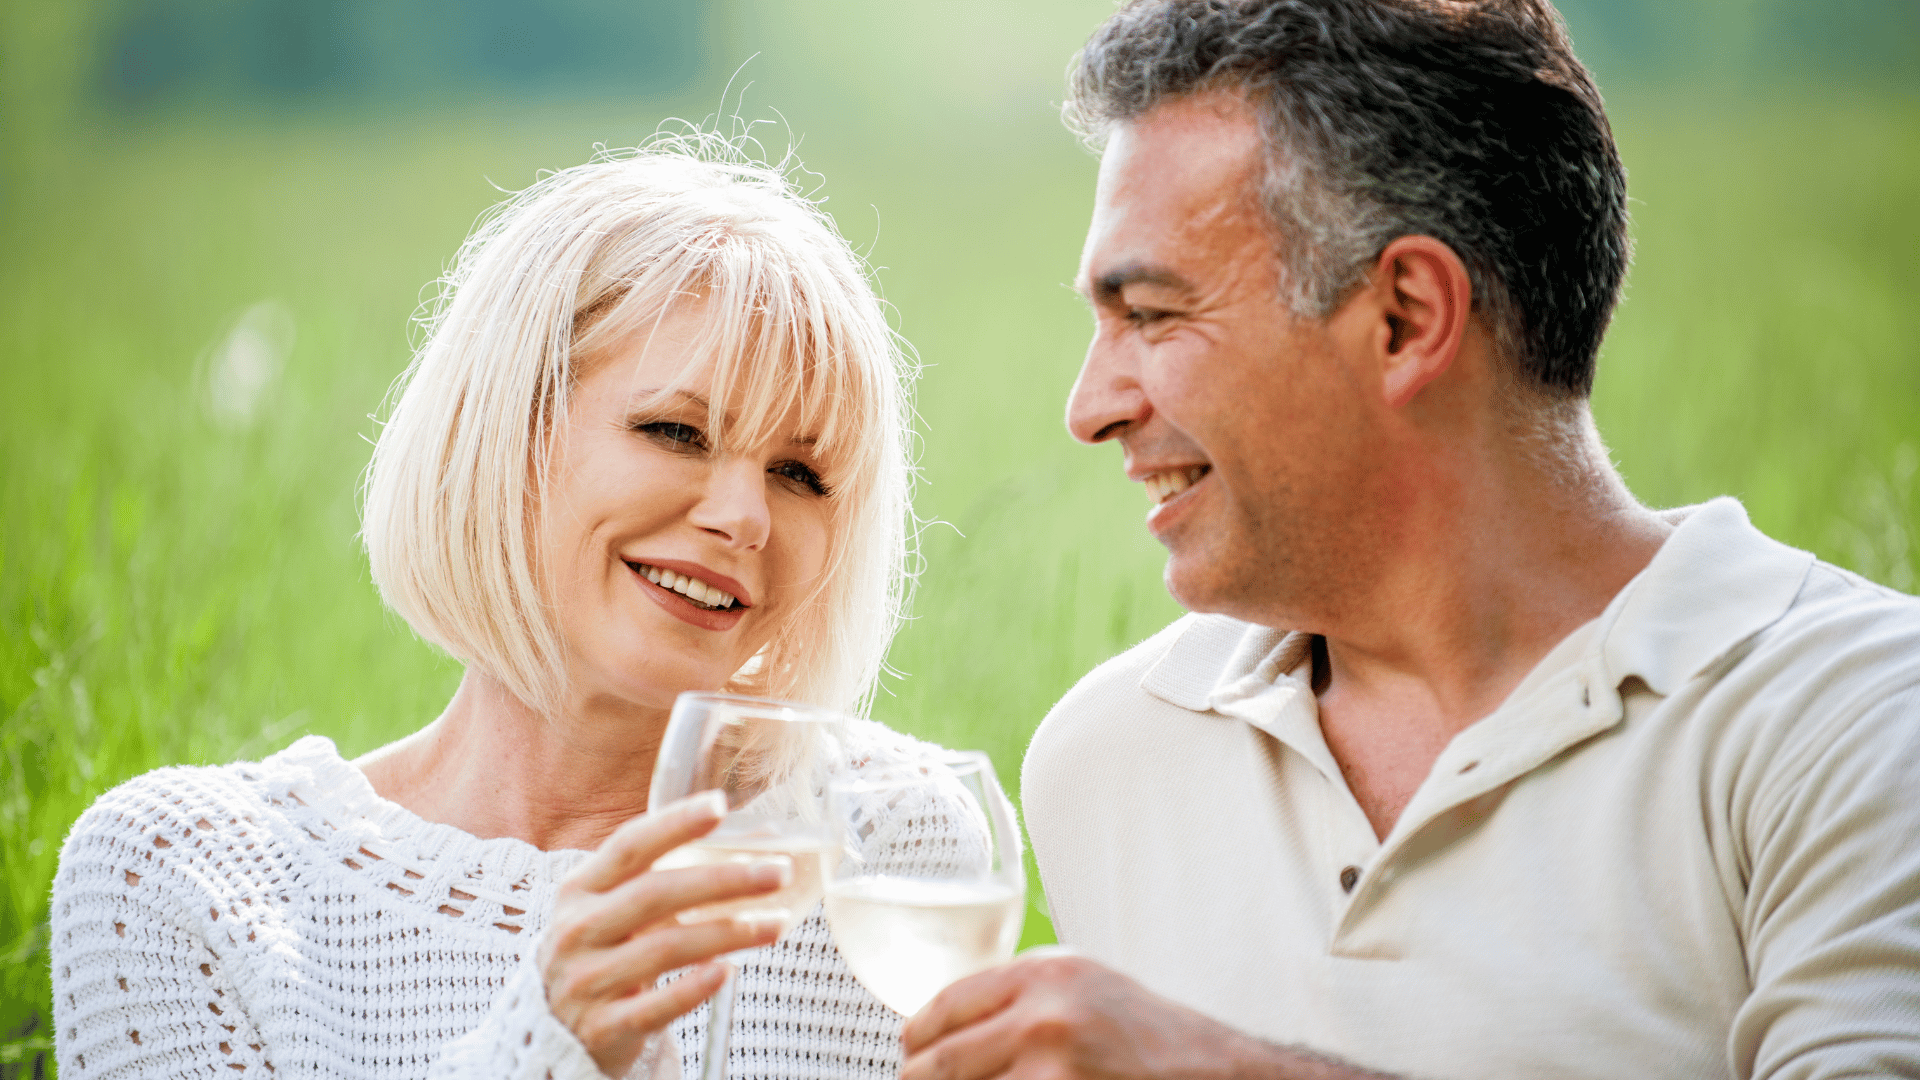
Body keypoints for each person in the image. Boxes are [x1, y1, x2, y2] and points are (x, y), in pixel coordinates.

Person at [899, 2, 1920, 1079]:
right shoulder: (1109, 758)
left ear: (1405, 318)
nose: (1089, 404)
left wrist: (1228, 1068)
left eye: (1151, 314)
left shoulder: (1857, 720)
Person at [51, 135, 938, 1080]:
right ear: (503, 432)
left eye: (799, 473)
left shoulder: (888, 837)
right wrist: (547, 1043)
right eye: (676, 431)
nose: (745, 516)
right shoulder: (180, 873)